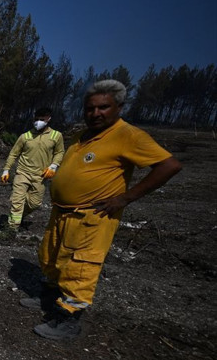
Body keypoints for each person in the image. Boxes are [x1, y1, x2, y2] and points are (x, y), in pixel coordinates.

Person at [26, 79, 182, 340]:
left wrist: (124, 199)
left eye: (103, 107)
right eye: (90, 108)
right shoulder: (82, 136)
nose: (95, 113)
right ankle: (50, 298)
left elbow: (169, 166)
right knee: (52, 256)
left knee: (80, 267)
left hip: (92, 216)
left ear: (119, 107)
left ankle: (68, 321)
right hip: (63, 212)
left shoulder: (128, 135)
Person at [1, 108, 65, 232]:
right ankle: (12, 228)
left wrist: (54, 166)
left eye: (42, 119)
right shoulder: (25, 136)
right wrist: (6, 170)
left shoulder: (56, 136)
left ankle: (18, 217)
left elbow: (59, 152)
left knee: (34, 204)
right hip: (22, 173)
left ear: (48, 119)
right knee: (17, 201)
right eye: (36, 119)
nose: (38, 122)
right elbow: (13, 154)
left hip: (41, 176)